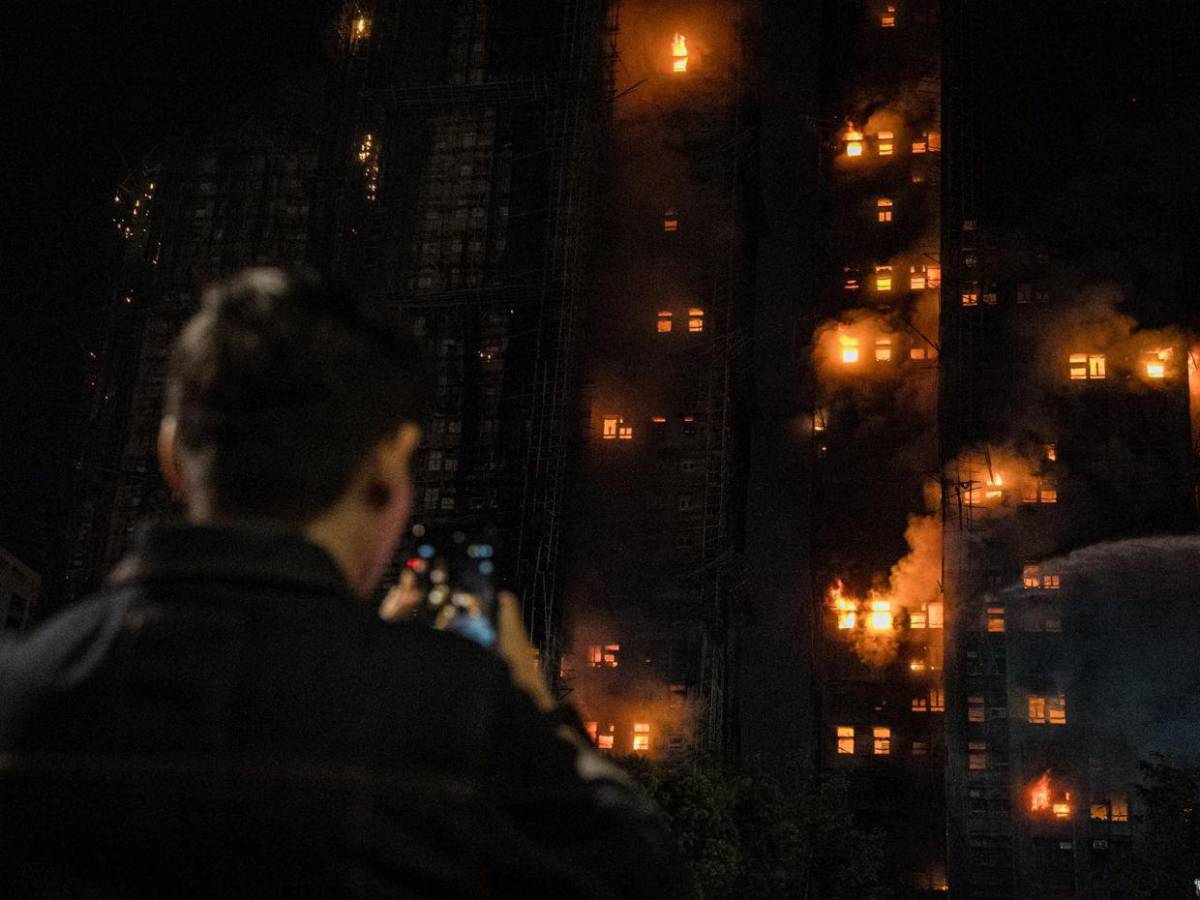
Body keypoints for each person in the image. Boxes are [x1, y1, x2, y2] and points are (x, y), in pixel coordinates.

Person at [0, 268, 688, 897]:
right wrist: (538, 705)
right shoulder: (459, 714)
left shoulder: (22, 694)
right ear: (389, 469)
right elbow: (644, 876)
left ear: (172, 456)